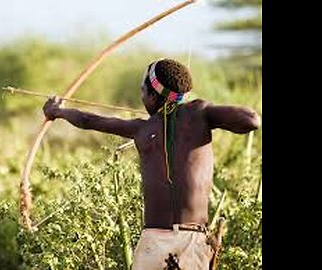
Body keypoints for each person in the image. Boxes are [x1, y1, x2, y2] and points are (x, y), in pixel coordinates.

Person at [42, 58, 260, 270]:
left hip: (166, 243)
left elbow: (89, 121)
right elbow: (251, 119)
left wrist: (58, 111)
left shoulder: (154, 125)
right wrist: (202, 113)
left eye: (143, 92)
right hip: (177, 241)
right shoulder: (189, 116)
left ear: (154, 95)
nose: (142, 97)